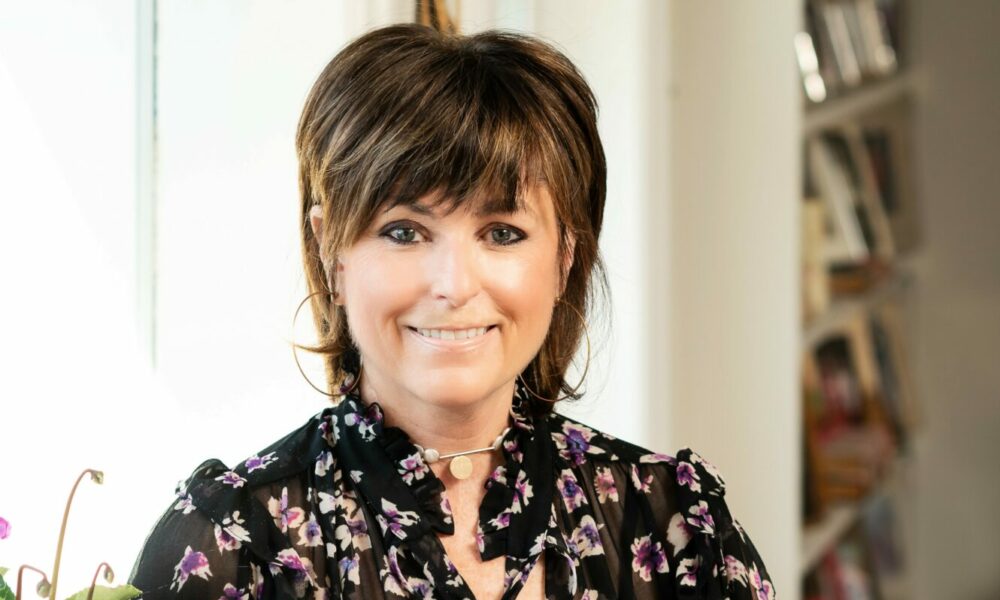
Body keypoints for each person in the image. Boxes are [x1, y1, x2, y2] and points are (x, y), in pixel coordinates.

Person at [129, 23, 774, 600]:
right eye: (404, 232)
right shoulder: (230, 547)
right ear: (332, 252)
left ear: (564, 257)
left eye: (503, 233)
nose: (455, 285)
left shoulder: (679, 529)